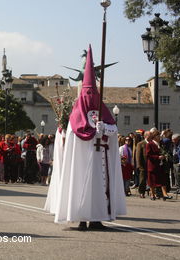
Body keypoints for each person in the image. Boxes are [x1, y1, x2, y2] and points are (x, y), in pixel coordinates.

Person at [54, 46, 126, 231]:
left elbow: (113, 128)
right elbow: (74, 133)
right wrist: (93, 131)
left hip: (101, 158)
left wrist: (105, 128)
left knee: (100, 190)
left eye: (93, 93)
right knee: (81, 187)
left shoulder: (103, 111)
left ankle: (97, 218)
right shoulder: (76, 115)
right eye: (87, 93)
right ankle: (81, 219)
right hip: (82, 160)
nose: (90, 96)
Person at [146, 130, 173, 201]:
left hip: (160, 165)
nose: (159, 137)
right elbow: (148, 155)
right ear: (154, 137)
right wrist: (158, 157)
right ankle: (153, 194)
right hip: (153, 166)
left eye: (159, 136)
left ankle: (165, 194)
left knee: (162, 180)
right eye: (158, 136)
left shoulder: (161, 144)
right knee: (152, 181)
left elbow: (164, 151)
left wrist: (165, 156)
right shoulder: (150, 144)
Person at [44, 127, 65, 213]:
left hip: (55, 158)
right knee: (51, 172)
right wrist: (52, 159)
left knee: (51, 172)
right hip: (54, 158)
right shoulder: (51, 145)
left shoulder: (53, 143)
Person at [135, 131, 152, 198]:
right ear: (146, 136)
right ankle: (141, 192)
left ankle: (151, 192)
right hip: (143, 165)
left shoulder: (152, 143)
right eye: (150, 135)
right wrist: (139, 165)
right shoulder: (141, 144)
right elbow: (138, 155)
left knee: (151, 179)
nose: (151, 136)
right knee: (142, 179)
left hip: (151, 164)